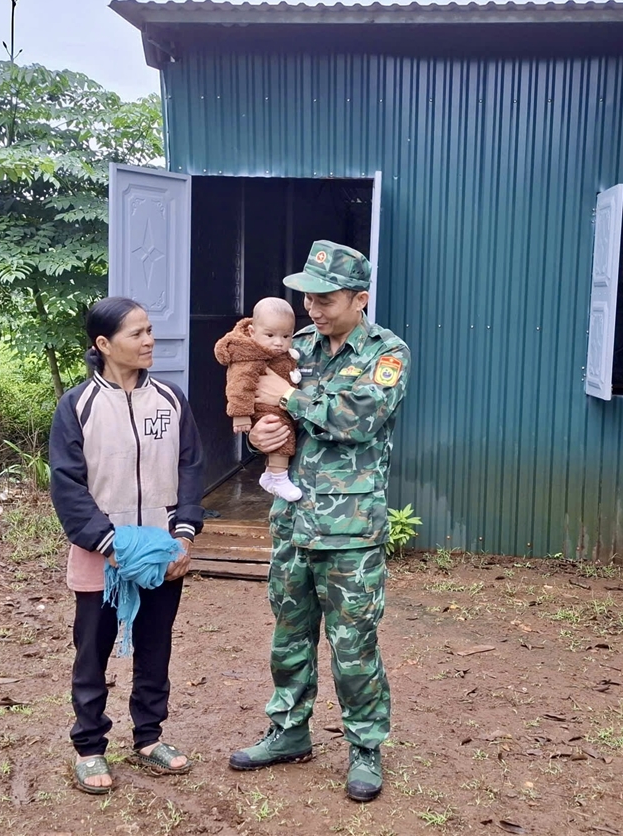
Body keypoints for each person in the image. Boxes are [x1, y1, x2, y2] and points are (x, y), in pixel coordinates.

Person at [227, 241, 410, 803]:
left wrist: (295, 394)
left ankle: (364, 748)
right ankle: (288, 732)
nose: (311, 308)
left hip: (351, 529)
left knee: (354, 646)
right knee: (289, 637)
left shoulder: (387, 351)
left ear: (359, 297)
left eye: (325, 298)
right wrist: (260, 435)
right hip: (293, 519)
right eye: (306, 296)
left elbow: (360, 416)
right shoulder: (294, 345)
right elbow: (267, 405)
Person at [49, 296, 204, 795]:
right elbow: (68, 485)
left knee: (156, 646)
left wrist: (183, 534)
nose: (149, 340)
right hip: (103, 555)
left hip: (163, 551)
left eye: (150, 330)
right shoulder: (78, 407)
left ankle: (149, 738)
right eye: (137, 333)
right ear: (103, 344)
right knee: (91, 652)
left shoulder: (171, 400)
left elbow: (190, 469)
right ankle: (90, 747)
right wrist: (110, 544)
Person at [213, 296, 304, 502]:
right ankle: (278, 477)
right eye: (270, 335)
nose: (279, 342)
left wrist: (288, 395)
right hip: (265, 410)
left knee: (283, 432)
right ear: (253, 332)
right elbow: (239, 385)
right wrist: (241, 415)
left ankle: (272, 474)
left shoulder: (282, 348)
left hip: (282, 410)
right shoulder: (250, 355)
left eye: (286, 336)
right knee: (280, 433)